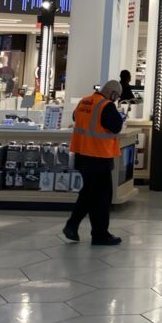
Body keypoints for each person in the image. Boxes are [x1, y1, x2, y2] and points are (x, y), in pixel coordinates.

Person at [63, 80, 125, 245]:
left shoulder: (84, 101)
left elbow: (75, 117)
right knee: (102, 198)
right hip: (99, 156)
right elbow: (116, 126)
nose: (116, 100)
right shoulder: (107, 106)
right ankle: (100, 234)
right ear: (112, 94)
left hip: (82, 154)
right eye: (117, 97)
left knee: (89, 193)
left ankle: (73, 225)